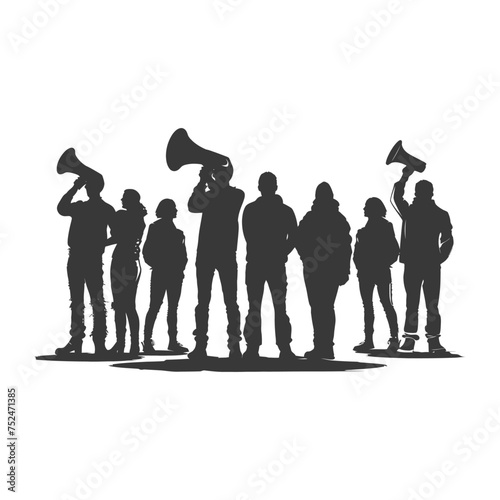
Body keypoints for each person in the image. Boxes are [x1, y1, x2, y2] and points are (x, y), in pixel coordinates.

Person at [391, 168, 454, 353]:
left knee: (413, 301)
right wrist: (439, 258)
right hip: (432, 264)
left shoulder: (409, 212)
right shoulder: (440, 213)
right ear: (431, 193)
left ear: (417, 193)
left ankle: (410, 339)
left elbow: (395, 197)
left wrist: (404, 176)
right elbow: (448, 239)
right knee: (432, 302)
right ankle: (433, 341)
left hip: (413, 263)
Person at [187, 159, 245, 360]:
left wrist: (205, 181)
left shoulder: (236, 194)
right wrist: (203, 181)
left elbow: (198, 204)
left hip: (217, 254)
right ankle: (203, 345)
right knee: (206, 302)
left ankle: (232, 345)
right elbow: (192, 206)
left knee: (227, 302)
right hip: (217, 254)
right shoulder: (211, 195)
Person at [55, 171, 115, 356]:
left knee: (78, 302)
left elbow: (62, 208)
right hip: (92, 258)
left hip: (78, 257)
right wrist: (99, 244)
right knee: (95, 300)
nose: (87, 189)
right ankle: (99, 344)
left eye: (88, 186)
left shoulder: (81, 207)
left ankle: (78, 341)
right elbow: (118, 235)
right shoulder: (106, 209)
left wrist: (75, 187)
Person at [242, 172, 298, 361]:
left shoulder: (250, 209)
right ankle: (284, 348)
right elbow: (294, 237)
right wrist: (282, 252)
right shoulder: (285, 211)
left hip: (257, 263)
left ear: (260, 187)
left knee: (255, 307)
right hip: (274, 264)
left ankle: (252, 349)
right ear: (275, 187)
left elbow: (249, 235)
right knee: (278, 307)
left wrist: (280, 252)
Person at [295, 182, 351, 360]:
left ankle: (321, 346)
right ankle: (326, 346)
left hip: (314, 269)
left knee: (318, 308)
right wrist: (344, 270)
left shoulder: (311, 217)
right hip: (331, 270)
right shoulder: (339, 219)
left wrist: (306, 257)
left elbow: (299, 239)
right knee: (326, 307)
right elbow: (346, 248)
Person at [353, 198, 400, 353]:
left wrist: (380, 263)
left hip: (377, 271)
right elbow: (357, 253)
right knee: (373, 305)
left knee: (383, 304)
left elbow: (394, 250)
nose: (364, 209)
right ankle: (370, 339)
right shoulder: (363, 231)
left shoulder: (385, 227)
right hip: (371, 272)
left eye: (366, 207)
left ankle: (392, 338)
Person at [142, 199, 188, 354]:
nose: (176, 211)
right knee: (160, 307)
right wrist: (160, 265)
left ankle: (163, 341)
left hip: (169, 273)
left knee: (162, 307)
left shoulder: (176, 232)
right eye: (173, 208)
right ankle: (151, 340)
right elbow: (147, 252)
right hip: (165, 272)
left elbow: (183, 255)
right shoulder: (156, 228)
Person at [106, 189, 147, 355]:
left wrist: (98, 243)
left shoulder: (124, 216)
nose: (121, 199)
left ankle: (121, 343)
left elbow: (116, 237)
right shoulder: (139, 219)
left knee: (120, 304)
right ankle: (133, 344)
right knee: (129, 305)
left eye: (124, 198)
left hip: (120, 261)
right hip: (132, 263)